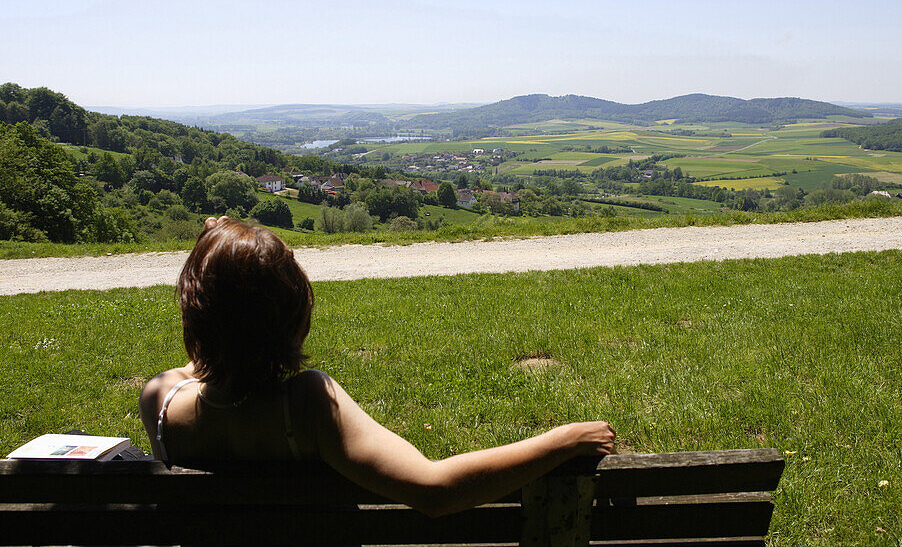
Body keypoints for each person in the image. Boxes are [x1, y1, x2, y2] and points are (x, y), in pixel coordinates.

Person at [139, 216, 615, 517]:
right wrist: (563, 440)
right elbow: (435, 490)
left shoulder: (160, 400)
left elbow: (208, 354)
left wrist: (210, 254)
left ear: (195, 312)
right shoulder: (305, 405)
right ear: (294, 316)